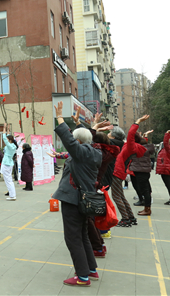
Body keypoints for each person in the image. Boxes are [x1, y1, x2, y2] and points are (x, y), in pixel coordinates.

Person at [52, 101, 102, 287]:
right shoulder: (92, 151)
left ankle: (82, 277)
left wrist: (59, 118)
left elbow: (70, 141)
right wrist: (81, 125)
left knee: (73, 238)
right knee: (82, 235)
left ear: (78, 142)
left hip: (74, 200)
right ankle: (90, 269)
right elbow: (82, 138)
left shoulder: (81, 152)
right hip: (83, 199)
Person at [128, 131, 155, 216]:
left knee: (145, 190)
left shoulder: (137, 148)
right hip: (145, 171)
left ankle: (147, 209)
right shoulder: (146, 148)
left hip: (140, 171)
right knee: (146, 190)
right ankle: (147, 208)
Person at [1, 135, 17, 200]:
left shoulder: (10, 146)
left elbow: (5, 139)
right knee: (9, 180)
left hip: (6, 163)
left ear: (9, 140)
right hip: (9, 163)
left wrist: (4, 132)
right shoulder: (13, 146)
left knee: (8, 180)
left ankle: (12, 195)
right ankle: (12, 194)